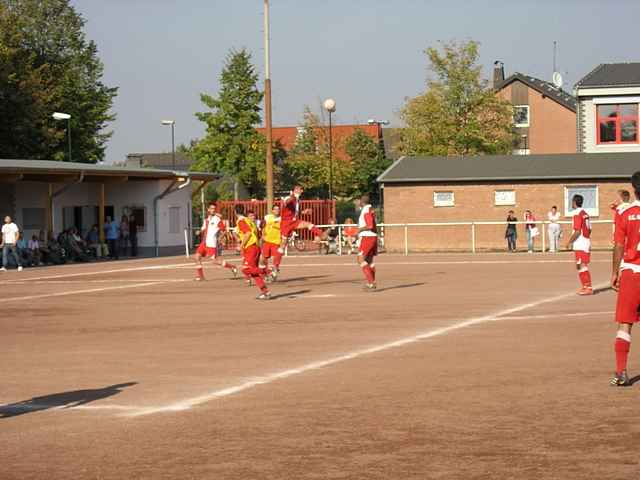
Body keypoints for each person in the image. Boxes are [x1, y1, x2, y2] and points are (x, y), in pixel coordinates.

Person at [609, 172, 640, 386]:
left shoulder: (625, 212)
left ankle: (621, 373)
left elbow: (619, 244)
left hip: (631, 271)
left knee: (625, 324)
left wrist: (614, 272)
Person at [194, 203, 238, 281]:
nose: (213, 210)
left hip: (211, 243)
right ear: (208, 209)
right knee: (197, 257)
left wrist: (220, 237)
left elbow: (224, 230)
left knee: (215, 261)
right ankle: (201, 276)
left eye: (214, 209)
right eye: (211, 208)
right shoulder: (206, 219)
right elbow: (203, 228)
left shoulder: (217, 219)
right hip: (204, 242)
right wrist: (199, 231)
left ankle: (232, 267)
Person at [278, 185, 326, 257]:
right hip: (286, 223)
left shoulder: (298, 200)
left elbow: (295, 211)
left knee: (308, 224)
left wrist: (304, 212)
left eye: (300, 189)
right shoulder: (290, 197)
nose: (300, 191)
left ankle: (320, 234)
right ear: (293, 191)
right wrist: (292, 198)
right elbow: (286, 202)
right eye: (297, 189)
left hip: (294, 221)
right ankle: (276, 260)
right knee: (282, 245)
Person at [236, 204, 270, 300]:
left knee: (245, 270)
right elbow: (256, 234)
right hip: (255, 247)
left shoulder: (241, 221)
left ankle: (268, 271)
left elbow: (247, 233)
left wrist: (241, 246)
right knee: (254, 273)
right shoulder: (249, 221)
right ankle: (265, 292)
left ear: (235, 212)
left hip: (250, 248)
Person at [566, 194, 592, 295]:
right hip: (585, 241)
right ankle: (585, 286)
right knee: (579, 265)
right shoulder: (585, 213)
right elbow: (589, 229)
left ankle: (588, 287)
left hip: (581, 243)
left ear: (574, 202)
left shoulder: (577, 214)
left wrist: (569, 242)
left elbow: (577, 231)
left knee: (581, 265)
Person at [357, 194, 378, 290]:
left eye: (359, 201)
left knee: (360, 259)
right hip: (372, 236)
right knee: (369, 261)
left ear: (362, 201)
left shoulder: (366, 209)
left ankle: (371, 282)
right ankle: (372, 282)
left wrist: (360, 229)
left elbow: (369, 225)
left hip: (367, 237)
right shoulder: (371, 209)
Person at [261, 205, 282, 281]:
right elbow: (262, 226)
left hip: (276, 242)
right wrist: (263, 235)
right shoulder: (267, 217)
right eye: (275, 209)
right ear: (272, 210)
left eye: (278, 209)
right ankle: (265, 275)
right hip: (267, 241)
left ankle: (274, 271)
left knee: (276, 258)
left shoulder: (282, 219)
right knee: (264, 259)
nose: (277, 210)